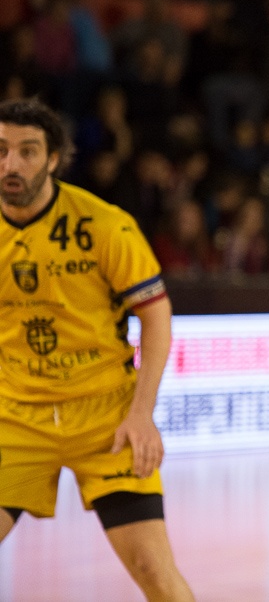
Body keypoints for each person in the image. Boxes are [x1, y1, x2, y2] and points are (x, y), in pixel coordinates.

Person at [0, 98, 194, 600]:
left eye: (26, 151)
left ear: (53, 158)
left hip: (105, 417)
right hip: (16, 418)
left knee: (154, 571)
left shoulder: (105, 226)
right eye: (0, 151)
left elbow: (155, 316)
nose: (10, 164)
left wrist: (142, 414)